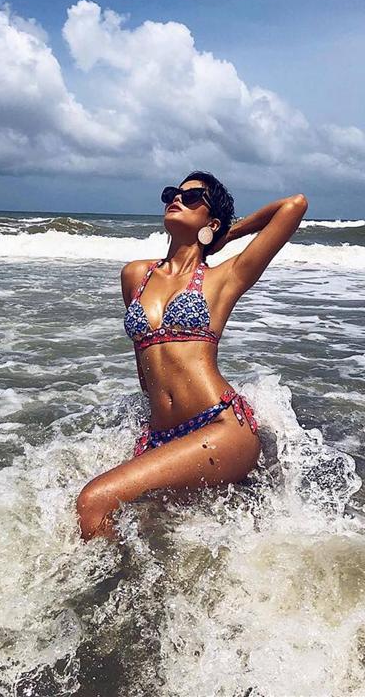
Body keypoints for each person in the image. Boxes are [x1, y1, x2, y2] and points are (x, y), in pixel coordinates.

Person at [76, 170, 308, 541]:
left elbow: (294, 205)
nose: (176, 198)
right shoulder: (135, 275)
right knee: (145, 531)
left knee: (93, 502)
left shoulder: (225, 278)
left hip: (220, 425)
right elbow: (145, 371)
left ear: (211, 222)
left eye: (192, 197)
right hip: (163, 437)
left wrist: (224, 235)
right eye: (172, 193)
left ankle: (118, 583)